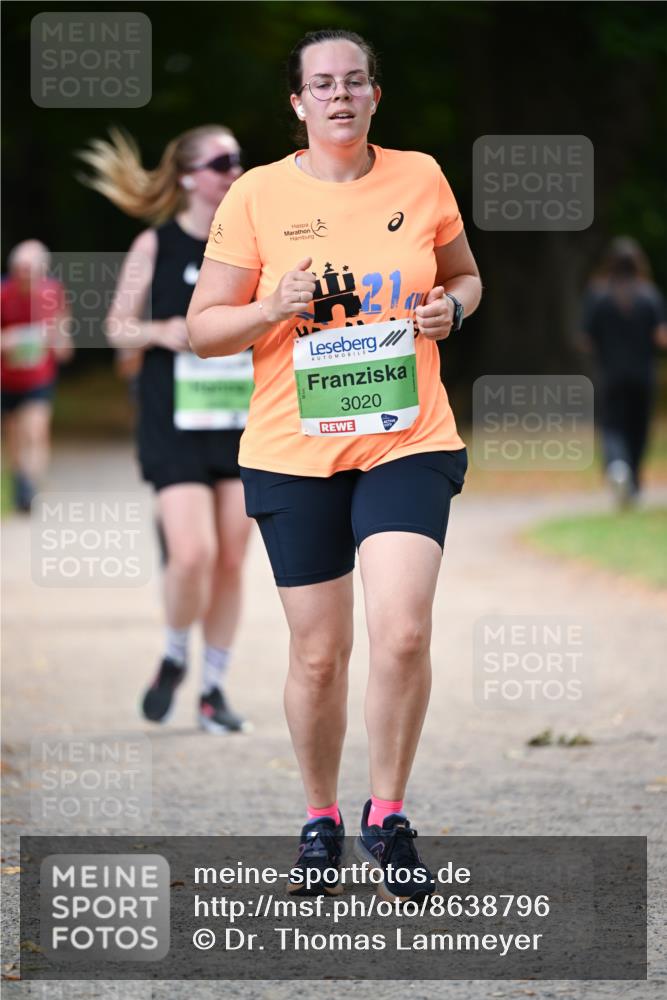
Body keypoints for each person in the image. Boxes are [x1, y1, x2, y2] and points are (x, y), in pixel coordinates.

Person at [188, 29, 482, 900]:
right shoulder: (255, 196)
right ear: (298, 103)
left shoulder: (420, 176)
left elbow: (465, 277)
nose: (340, 97)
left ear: (375, 96)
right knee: (319, 655)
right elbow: (206, 328)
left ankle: (386, 813)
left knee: (402, 628)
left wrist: (449, 313)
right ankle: (319, 816)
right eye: (323, 85)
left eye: (355, 82)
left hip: (408, 436)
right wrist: (269, 306)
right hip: (292, 450)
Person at [77, 126, 254, 733]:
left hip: (239, 419)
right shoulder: (155, 244)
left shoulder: (253, 240)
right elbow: (115, 325)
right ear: (187, 177)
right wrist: (161, 331)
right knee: (193, 554)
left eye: (238, 159)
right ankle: (176, 654)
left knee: (232, 557)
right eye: (220, 161)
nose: (234, 170)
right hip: (173, 421)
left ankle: (213, 689)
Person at [581, 237, 667, 507]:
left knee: (612, 427)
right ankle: (635, 482)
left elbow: (586, 339)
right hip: (643, 376)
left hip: (610, 376)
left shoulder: (598, 295)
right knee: (638, 429)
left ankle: (618, 466)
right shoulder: (649, 296)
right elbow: (661, 337)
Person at [1, 240, 73, 511]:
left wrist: (59, 341)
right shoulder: (3, 293)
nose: (25, 274)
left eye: (31, 269)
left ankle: (31, 485)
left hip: (38, 378)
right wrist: (11, 340)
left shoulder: (52, 292)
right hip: (7, 378)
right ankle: (20, 479)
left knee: (36, 430)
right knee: (14, 436)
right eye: (20, 269)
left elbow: (62, 329)